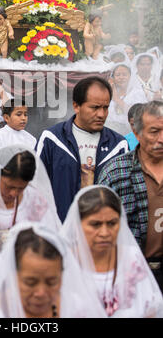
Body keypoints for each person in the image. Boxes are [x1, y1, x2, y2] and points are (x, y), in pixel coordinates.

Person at [0, 222, 105, 318]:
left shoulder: (78, 310)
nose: (41, 293)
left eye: (51, 282)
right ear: (12, 275)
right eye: (30, 282)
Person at [61, 186, 163, 317]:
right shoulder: (63, 263)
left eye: (112, 223)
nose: (104, 233)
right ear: (78, 225)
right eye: (95, 224)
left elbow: (150, 310)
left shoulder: (131, 259)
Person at [36, 77, 128, 222]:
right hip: (60, 231)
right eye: (95, 107)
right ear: (76, 106)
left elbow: (125, 197)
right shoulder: (51, 139)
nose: (101, 114)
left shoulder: (118, 145)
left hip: (102, 233)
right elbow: (35, 188)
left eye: (105, 108)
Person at [96, 101, 163, 293]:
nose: (161, 139)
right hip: (130, 274)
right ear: (137, 134)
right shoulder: (116, 173)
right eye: (154, 131)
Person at [106, 64, 147, 136]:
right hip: (109, 129)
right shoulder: (110, 91)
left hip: (130, 131)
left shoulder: (137, 92)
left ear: (130, 76)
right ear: (113, 77)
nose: (121, 77)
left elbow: (137, 114)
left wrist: (117, 99)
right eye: (118, 75)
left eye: (124, 74)